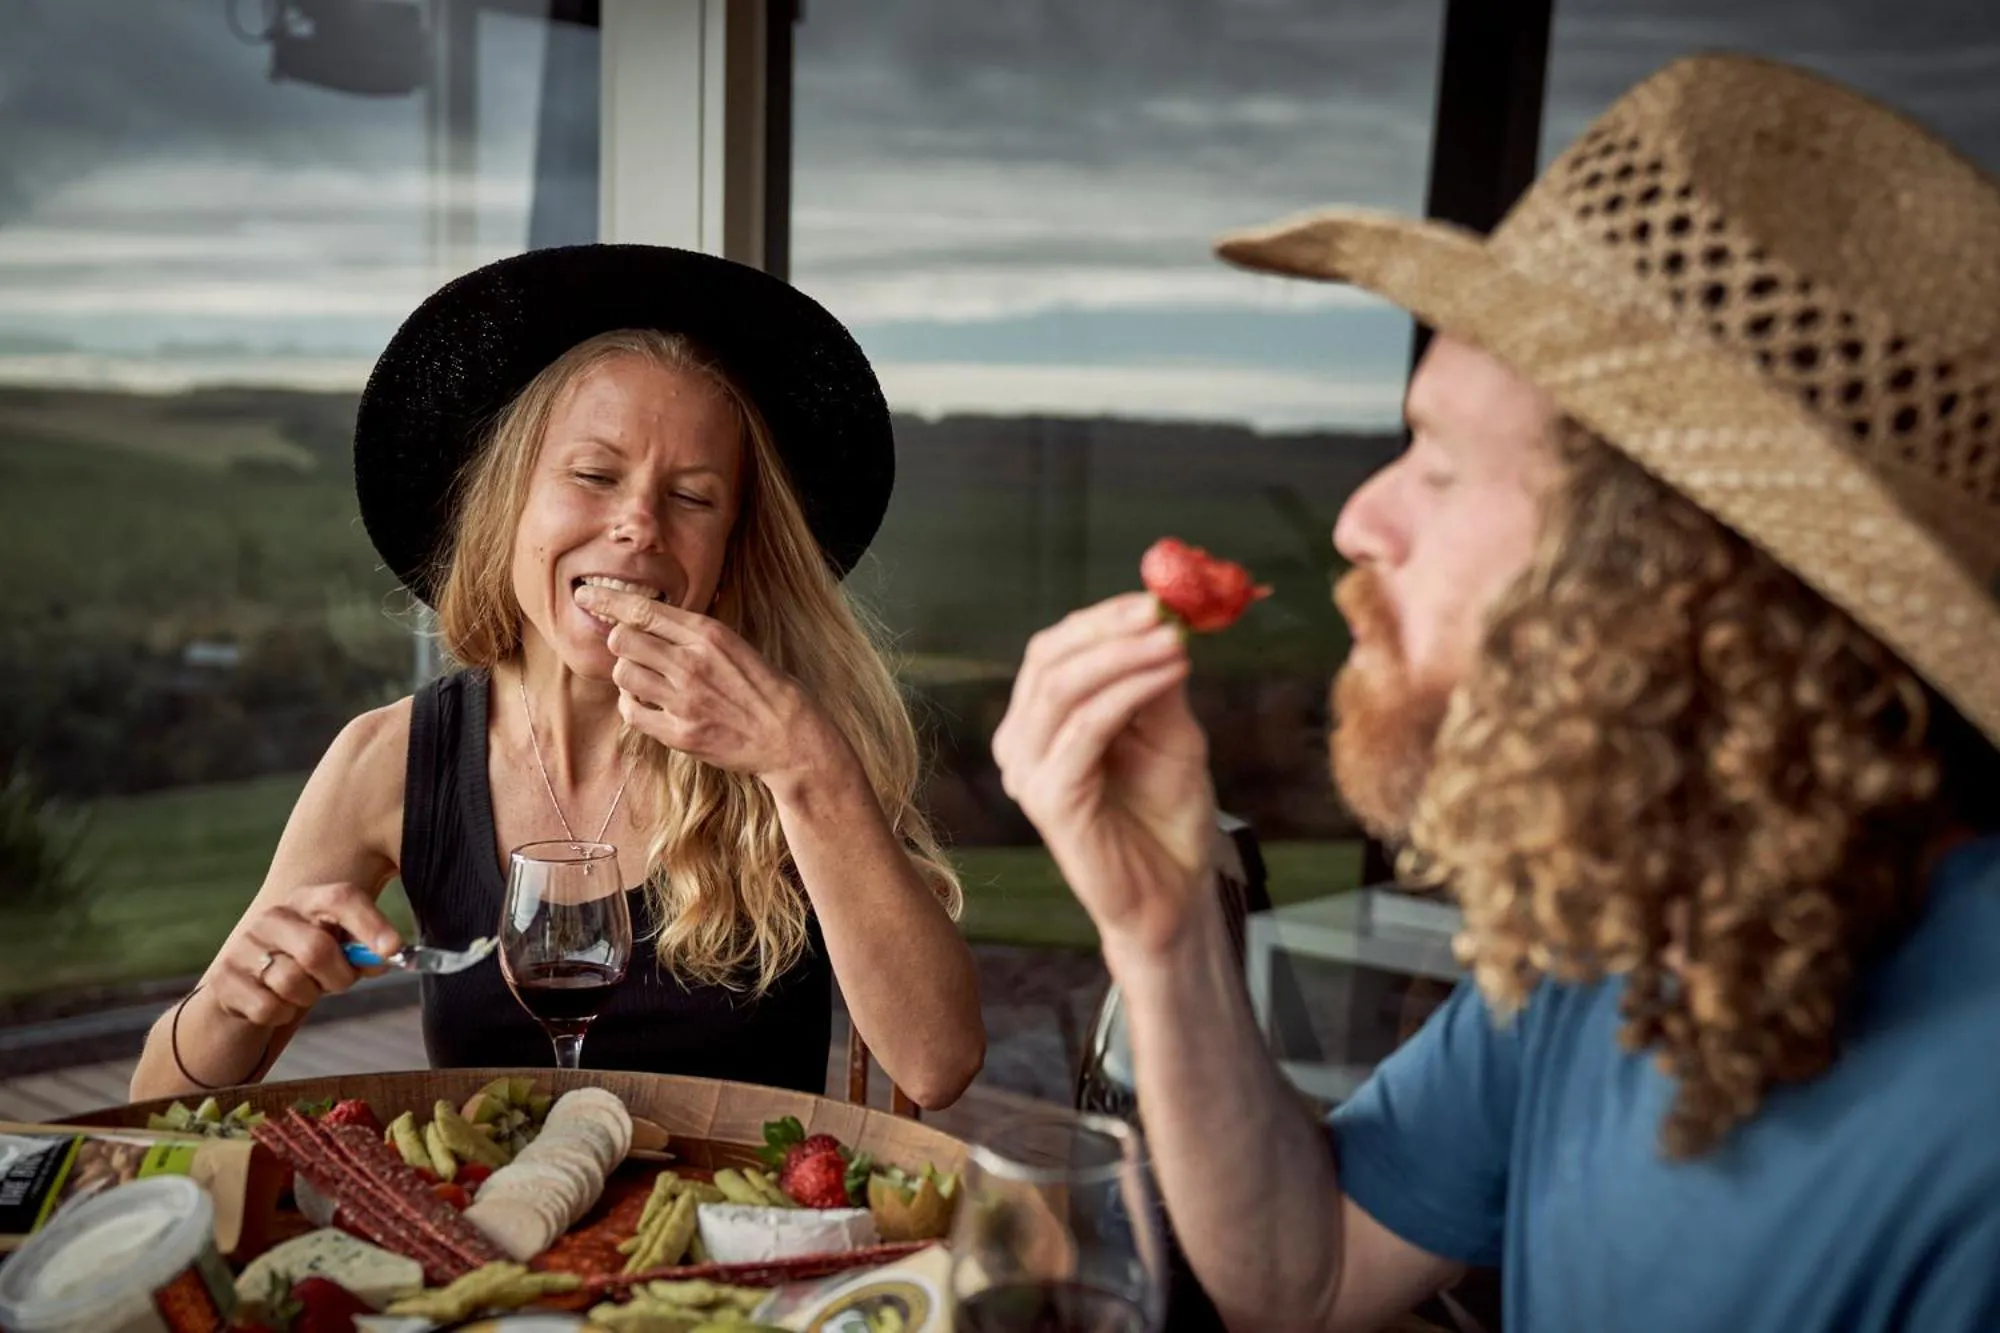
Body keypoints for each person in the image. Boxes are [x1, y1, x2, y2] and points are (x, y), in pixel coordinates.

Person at [993, 53, 2000, 1331]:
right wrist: (1164, 928)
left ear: (1675, 580)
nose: (1358, 520)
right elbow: (1308, 1273)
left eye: (1444, 464)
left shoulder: (1974, 1134)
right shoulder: (1621, 928)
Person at [133, 245, 985, 1107]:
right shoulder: (389, 760)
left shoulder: (786, 746)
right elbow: (153, 1101)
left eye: (693, 498)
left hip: (747, 1234)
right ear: (511, 504)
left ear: (728, 557)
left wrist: (808, 767)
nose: (638, 525)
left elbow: (938, 1063)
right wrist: (239, 998)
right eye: (593, 475)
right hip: (490, 1234)